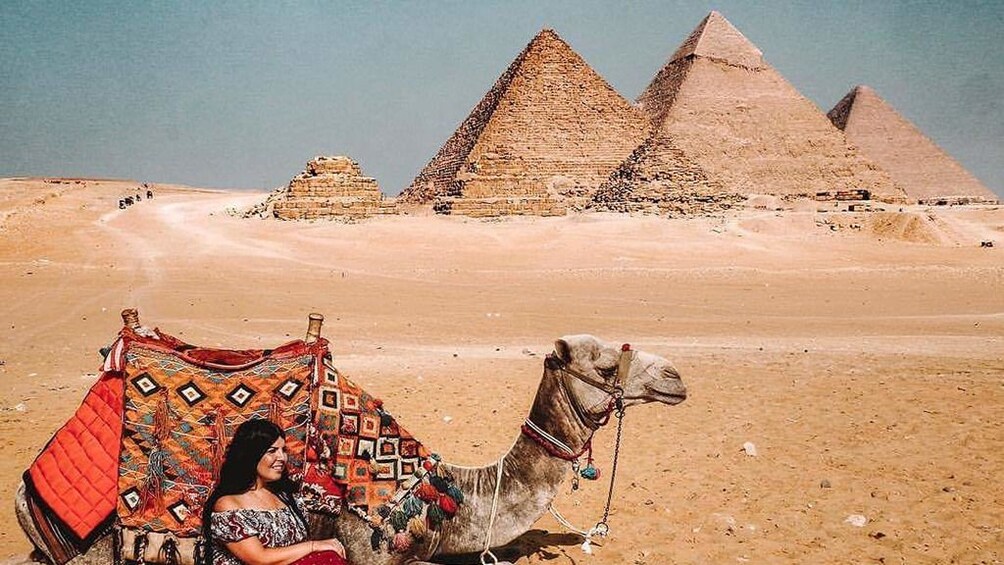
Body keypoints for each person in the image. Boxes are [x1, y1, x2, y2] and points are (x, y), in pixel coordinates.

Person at [202, 419, 347, 565]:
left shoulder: (286, 497)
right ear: (251, 456)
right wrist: (314, 546)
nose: (281, 458)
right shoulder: (228, 504)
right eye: (272, 451)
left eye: (283, 450)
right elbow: (260, 559)